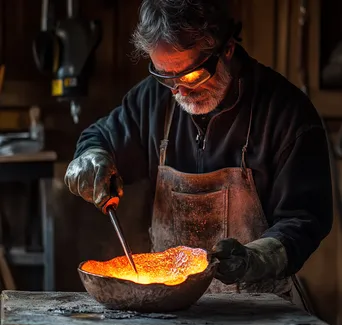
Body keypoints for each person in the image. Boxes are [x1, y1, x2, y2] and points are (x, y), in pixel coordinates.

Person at [64, 0, 333, 308]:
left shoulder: (286, 115)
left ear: (227, 49)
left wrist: (255, 258)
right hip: (166, 309)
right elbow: (101, 137)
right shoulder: (153, 100)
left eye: (191, 76)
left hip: (258, 309)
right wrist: (91, 157)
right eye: (166, 77)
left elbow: (304, 218)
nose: (178, 91)